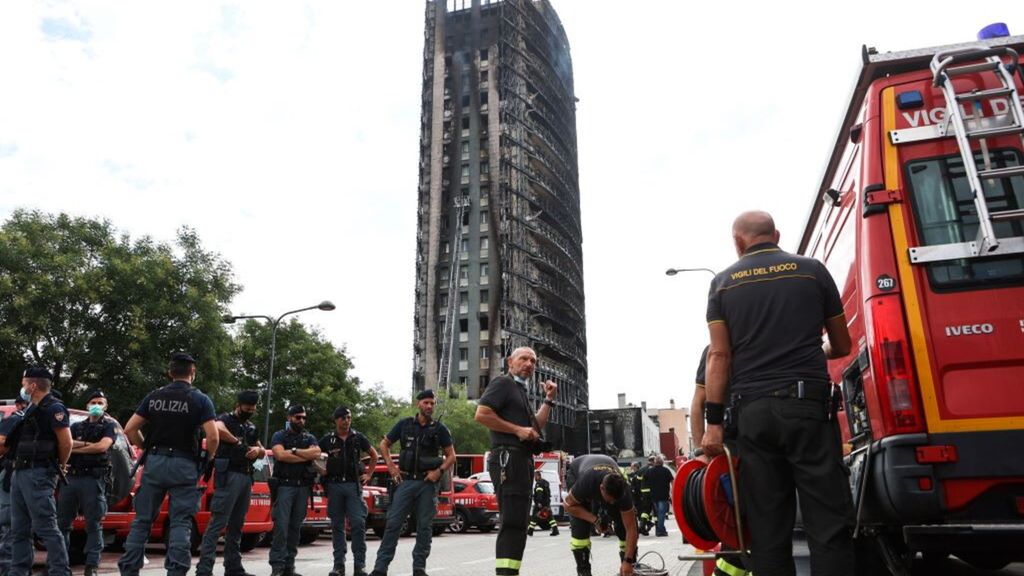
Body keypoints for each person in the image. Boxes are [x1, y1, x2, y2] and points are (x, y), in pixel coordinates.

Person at [702, 211, 854, 576]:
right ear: (776, 235)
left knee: (768, 528)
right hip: (808, 410)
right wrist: (816, 352)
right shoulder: (813, 271)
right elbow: (842, 344)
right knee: (828, 524)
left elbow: (719, 355)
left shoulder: (722, 284)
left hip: (753, 415)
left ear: (738, 243)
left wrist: (713, 423)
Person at [118, 352, 219, 576]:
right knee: (181, 521)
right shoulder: (200, 399)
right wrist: (207, 459)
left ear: (170, 372)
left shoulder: (154, 396)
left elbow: (130, 429)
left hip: (154, 461)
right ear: (193, 372)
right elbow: (213, 437)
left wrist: (145, 447)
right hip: (184, 464)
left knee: (142, 520)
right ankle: (176, 571)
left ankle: (129, 569)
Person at [474, 346, 558, 576]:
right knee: (512, 522)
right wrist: (517, 430)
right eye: (524, 359)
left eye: (533, 360)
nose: (529, 363)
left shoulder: (519, 391)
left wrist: (549, 400)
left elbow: (535, 427)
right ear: (510, 362)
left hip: (521, 459)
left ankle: (510, 572)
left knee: (519, 522)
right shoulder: (503, 384)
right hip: (507, 458)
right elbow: (481, 414)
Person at [370, 389, 456, 576]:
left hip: (427, 483)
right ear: (418, 404)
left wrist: (439, 472)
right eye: (426, 402)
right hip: (406, 482)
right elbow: (384, 444)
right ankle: (380, 568)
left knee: (424, 527)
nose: (429, 406)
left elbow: (451, 456)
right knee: (393, 524)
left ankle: (419, 568)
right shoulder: (404, 425)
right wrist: (391, 467)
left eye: (432, 403)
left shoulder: (440, 429)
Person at [7, 367, 73, 576]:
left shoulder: (54, 407)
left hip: (39, 472)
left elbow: (66, 441)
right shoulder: (31, 408)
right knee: (19, 529)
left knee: (46, 528)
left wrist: (61, 465)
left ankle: (59, 571)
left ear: (33, 385)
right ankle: (18, 571)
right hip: (21, 471)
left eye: (25, 382)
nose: (23, 387)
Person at [690, 345, 749, 576]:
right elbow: (698, 402)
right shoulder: (713, 350)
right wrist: (700, 453)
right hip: (731, 449)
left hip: (752, 444)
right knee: (740, 524)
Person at [196, 390, 264, 576]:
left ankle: (233, 567)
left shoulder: (250, 427)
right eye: (247, 407)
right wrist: (237, 442)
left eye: (253, 408)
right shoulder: (225, 419)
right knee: (218, 523)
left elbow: (262, 451)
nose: (250, 410)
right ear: (238, 405)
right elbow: (216, 428)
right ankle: (204, 569)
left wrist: (257, 450)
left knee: (237, 525)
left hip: (246, 476)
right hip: (229, 476)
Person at [59, 389, 116, 576]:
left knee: (94, 524)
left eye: (101, 403)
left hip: (94, 479)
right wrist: (88, 447)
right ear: (87, 405)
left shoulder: (109, 426)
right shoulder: (76, 427)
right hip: (72, 478)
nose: (97, 406)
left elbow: (102, 447)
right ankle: (59, 563)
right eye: (94, 402)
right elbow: (65, 444)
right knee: (62, 524)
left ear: (106, 406)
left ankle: (91, 565)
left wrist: (77, 447)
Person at [320, 405, 379, 576]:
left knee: (358, 524)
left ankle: (359, 566)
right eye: (343, 418)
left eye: (349, 418)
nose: (346, 421)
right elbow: (315, 456)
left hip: (353, 486)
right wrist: (320, 470)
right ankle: (339, 565)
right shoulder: (327, 440)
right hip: (334, 485)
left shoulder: (358, 438)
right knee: (337, 526)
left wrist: (368, 474)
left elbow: (374, 455)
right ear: (336, 420)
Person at [562, 454, 638, 576]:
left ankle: (629, 570)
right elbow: (567, 506)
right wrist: (595, 520)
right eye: (610, 500)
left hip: (604, 471)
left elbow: (632, 529)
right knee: (580, 530)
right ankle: (584, 571)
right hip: (578, 472)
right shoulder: (586, 483)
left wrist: (628, 561)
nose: (612, 503)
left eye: (615, 500)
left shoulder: (623, 491)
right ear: (601, 488)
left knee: (622, 528)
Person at [268, 405, 321, 576]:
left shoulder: (309, 437)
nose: (301, 420)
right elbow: (280, 455)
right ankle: (277, 567)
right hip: (285, 486)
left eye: (304, 417)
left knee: (295, 529)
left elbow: (317, 453)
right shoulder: (279, 435)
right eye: (298, 417)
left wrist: (295, 451)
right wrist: (304, 456)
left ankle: (289, 567)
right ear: (289, 417)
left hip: (302, 487)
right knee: (281, 528)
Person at [0, 395, 28, 574]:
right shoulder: (17, 419)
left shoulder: (17, 419)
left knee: (10, 524)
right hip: (15, 475)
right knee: (12, 525)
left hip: (16, 475)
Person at [644, 457, 673, 537]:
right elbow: (672, 480)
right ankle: (660, 531)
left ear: (655, 463)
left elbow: (644, 479)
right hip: (663, 495)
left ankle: (661, 529)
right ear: (662, 463)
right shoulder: (666, 470)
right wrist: (673, 491)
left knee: (658, 513)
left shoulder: (650, 471)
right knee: (661, 513)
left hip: (653, 495)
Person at [528, 469, 558, 536]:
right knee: (550, 517)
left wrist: (538, 502)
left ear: (538, 476)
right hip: (546, 502)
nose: (534, 478)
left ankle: (530, 531)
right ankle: (555, 530)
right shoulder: (545, 482)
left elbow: (539, 493)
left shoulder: (539, 483)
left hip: (540, 503)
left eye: (535, 476)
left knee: (534, 517)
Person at [635, 456, 654, 536]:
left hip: (643, 492)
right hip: (653, 491)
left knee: (646, 509)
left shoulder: (642, 469)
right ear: (653, 461)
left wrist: (639, 491)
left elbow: (637, 482)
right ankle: (642, 526)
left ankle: (645, 524)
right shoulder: (654, 469)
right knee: (649, 510)